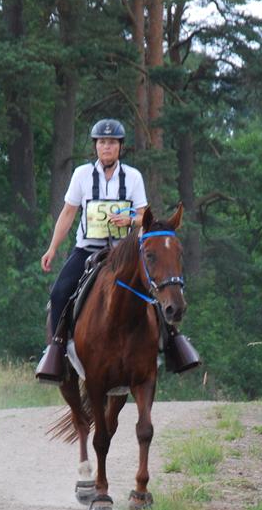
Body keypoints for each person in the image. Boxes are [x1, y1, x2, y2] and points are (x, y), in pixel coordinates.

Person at [35, 118, 199, 382]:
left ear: (120, 147)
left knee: (157, 288)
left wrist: (130, 220)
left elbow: (145, 214)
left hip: (125, 253)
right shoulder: (81, 175)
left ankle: (172, 345)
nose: (106, 147)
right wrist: (52, 248)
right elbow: (68, 213)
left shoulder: (133, 177)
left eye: (111, 143)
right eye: (101, 142)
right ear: (95, 146)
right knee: (59, 293)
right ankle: (56, 351)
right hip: (87, 249)